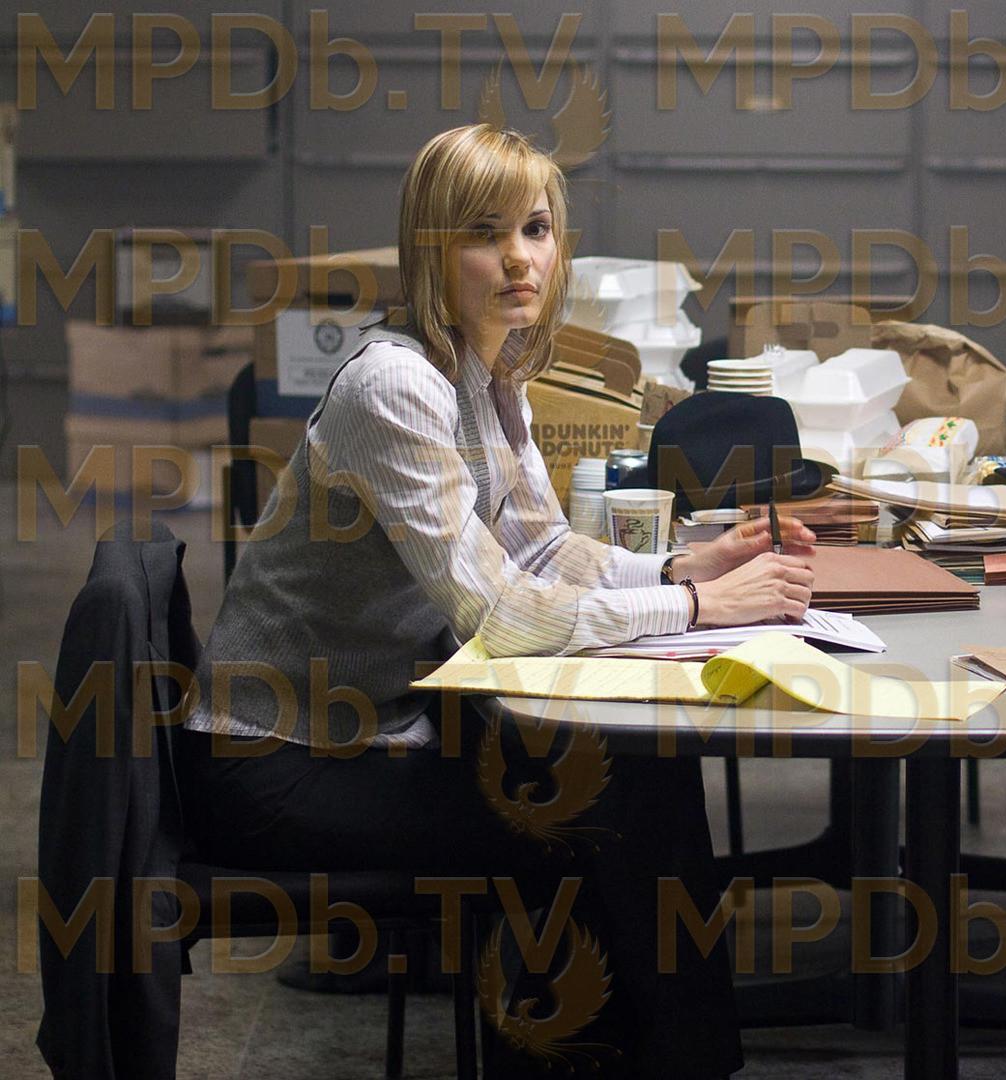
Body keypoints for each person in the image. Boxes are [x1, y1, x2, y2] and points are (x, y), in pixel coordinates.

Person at [178, 125, 806, 1075]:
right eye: (485, 232)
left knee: (641, 766)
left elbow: (543, 548)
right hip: (280, 763)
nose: (520, 258)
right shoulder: (394, 387)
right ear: (431, 250)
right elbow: (500, 617)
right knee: (594, 802)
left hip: (378, 723)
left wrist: (686, 568)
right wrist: (697, 610)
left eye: (536, 229)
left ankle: (660, 1057)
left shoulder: (490, 371)